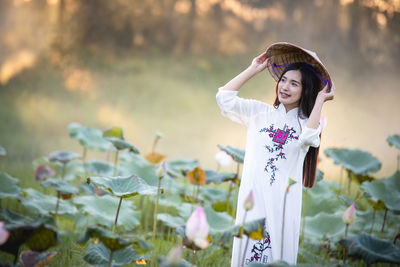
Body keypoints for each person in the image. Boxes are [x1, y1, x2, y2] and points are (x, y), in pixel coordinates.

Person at [216, 42, 335, 266]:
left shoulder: (306, 124)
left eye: (294, 83)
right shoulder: (259, 113)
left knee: (275, 255)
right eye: (283, 80)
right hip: (253, 198)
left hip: (282, 203)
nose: (285, 87)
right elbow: (224, 99)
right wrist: (252, 69)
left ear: (305, 90)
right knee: (247, 252)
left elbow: (309, 137)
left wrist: (320, 99)